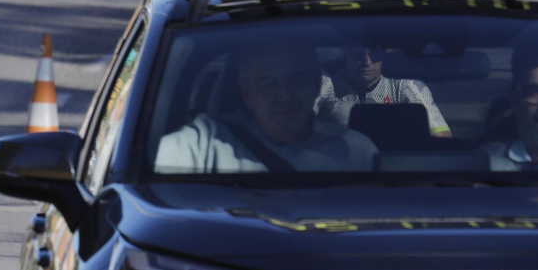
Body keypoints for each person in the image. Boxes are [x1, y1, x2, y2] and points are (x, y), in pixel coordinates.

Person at [156, 43, 378, 173]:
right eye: (268, 84)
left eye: (297, 80)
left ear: (316, 85)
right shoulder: (204, 146)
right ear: (247, 94)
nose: (284, 96)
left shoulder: (355, 151)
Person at [317, 44, 452, 137]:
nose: (366, 61)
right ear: (344, 53)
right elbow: (297, 125)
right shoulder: (326, 80)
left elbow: (442, 135)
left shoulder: (405, 82)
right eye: (358, 54)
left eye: (375, 54)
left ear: (386, 55)